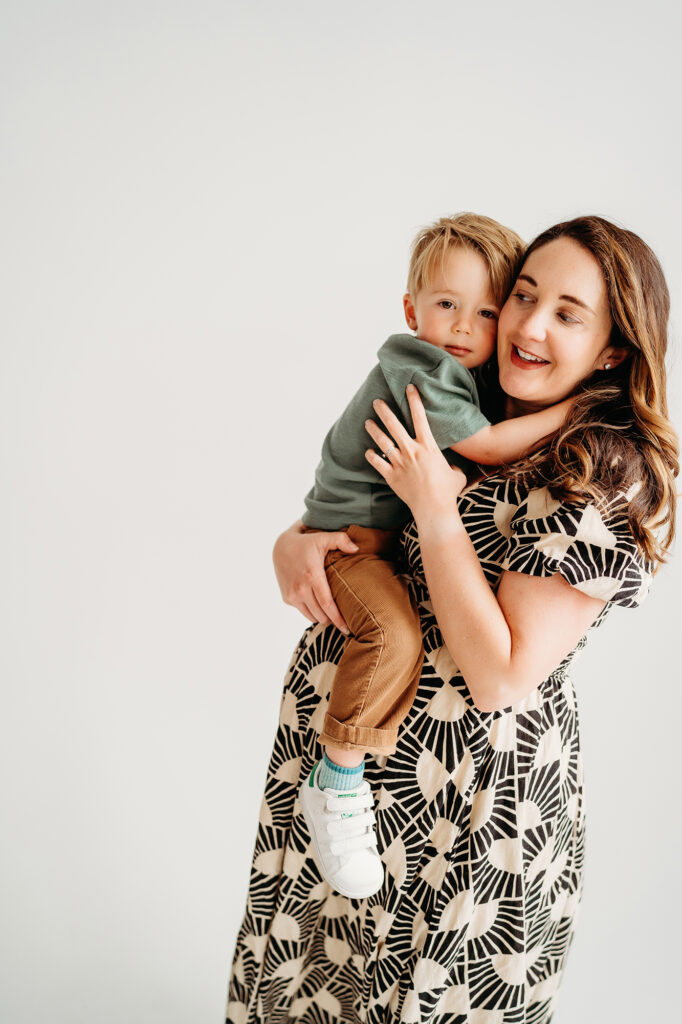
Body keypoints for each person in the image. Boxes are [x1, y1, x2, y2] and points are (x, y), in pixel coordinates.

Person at [226, 216, 678, 1024]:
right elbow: (357, 506)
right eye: (523, 297)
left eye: (569, 313)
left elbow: (501, 675)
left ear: (614, 349)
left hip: (461, 801)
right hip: (355, 777)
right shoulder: (469, 399)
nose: (528, 326)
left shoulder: (606, 463)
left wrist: (435, 512)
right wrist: (293, 543)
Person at [300, 213, 575, 901]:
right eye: (446, 304)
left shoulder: (475, 381)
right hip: (353, 542)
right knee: (392, 632)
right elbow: (484, 451)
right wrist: (577, 412)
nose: (462, 325)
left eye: (485, 310)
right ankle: (334, 778)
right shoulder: (423, 366)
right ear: (410, 309)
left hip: (369, 548)